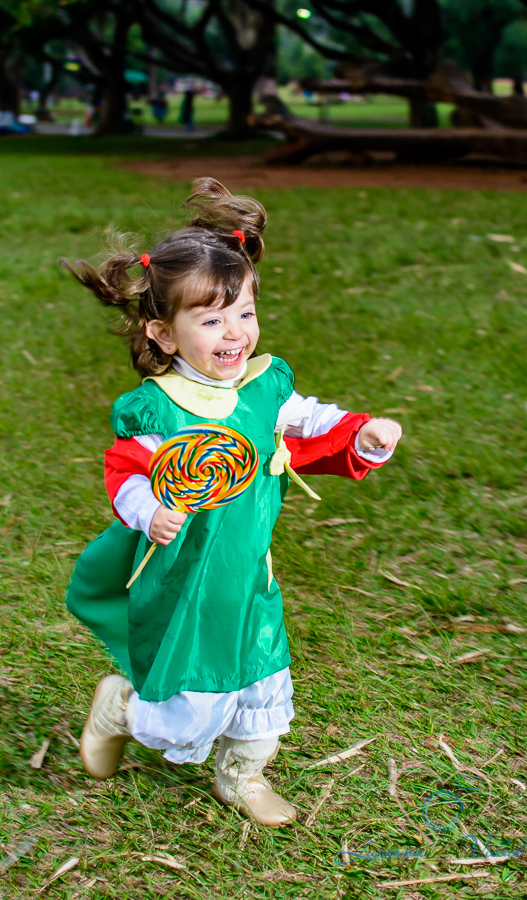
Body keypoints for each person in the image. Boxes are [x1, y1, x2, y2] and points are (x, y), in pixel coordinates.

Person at [63, 179, 402, 827]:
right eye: (211, 319)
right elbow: (126, 470)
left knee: (262, 674)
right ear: (164, 332)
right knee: (190, 698)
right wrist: (146, 510)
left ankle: (243, 774)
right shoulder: (158, 407)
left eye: (244, 313)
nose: (234, 333)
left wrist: (364, 432)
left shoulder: (263, 385)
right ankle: (122, 710)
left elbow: (308, 419)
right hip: (184, 576)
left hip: (250, 573)